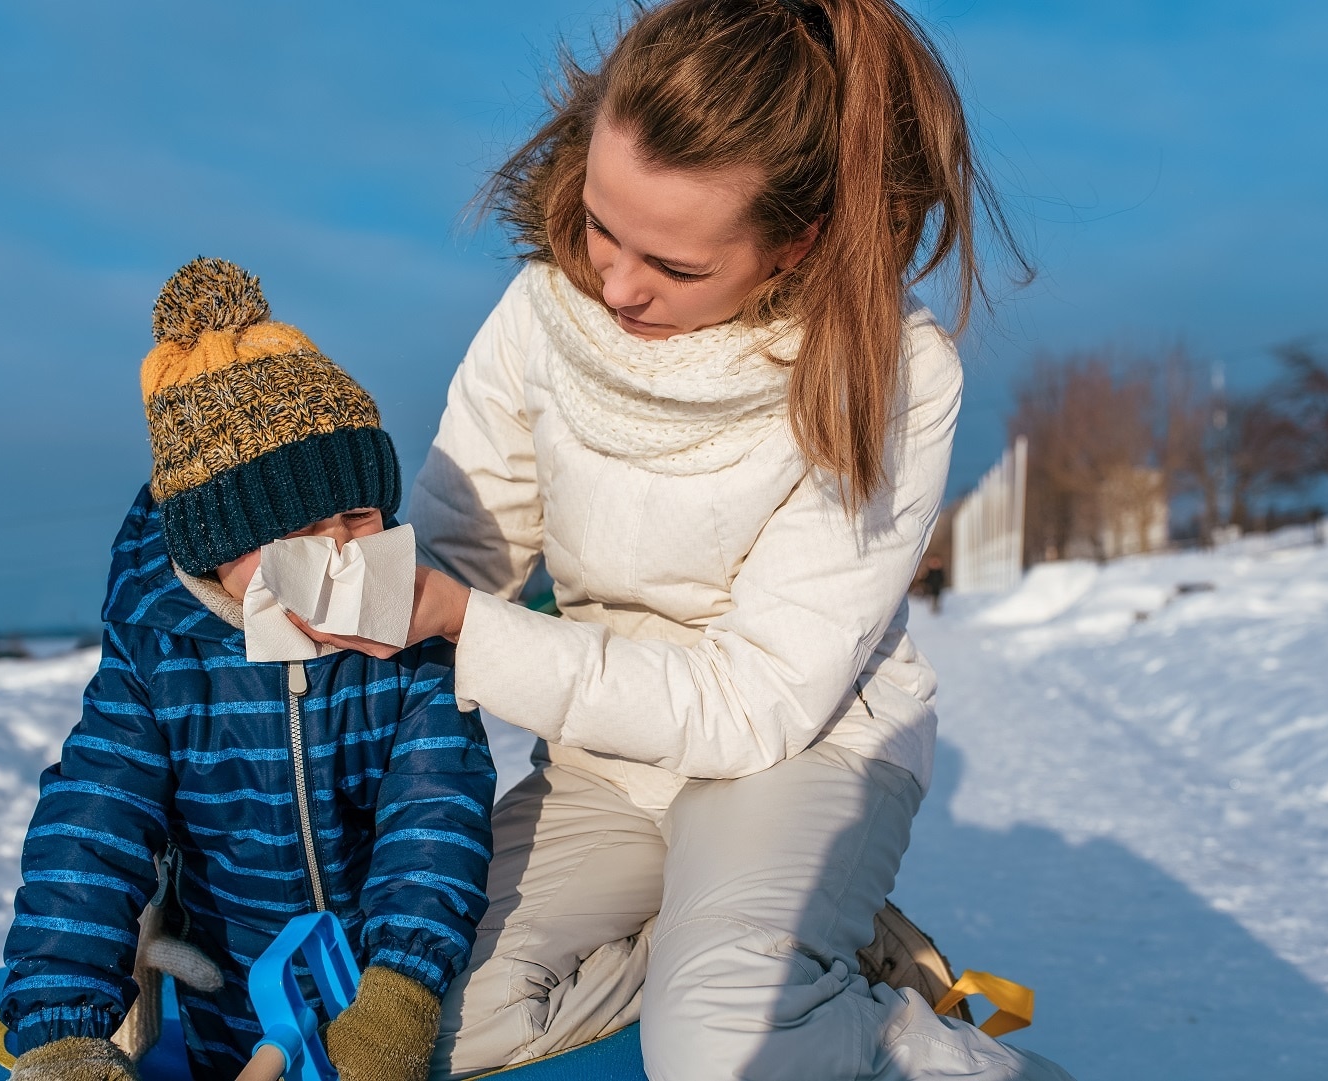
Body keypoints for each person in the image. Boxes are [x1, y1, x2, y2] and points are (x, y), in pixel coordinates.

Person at [322, 2, 1076, 1077]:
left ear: (794, 245)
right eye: (598, 223)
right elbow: (459, 557)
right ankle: (766, 950)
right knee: (414, 1014)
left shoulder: (888, 374)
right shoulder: (544, 312)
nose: (617, 284)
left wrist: (465, 628)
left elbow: (756, 701)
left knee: (719, 1044)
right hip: (606, 763)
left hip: (797, 752)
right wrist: (317, 581)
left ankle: (873, 1024)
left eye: (673, 268)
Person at [0, 259, 496, 1081]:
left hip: (383, 998)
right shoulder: (160, 657)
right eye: (297, 529)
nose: (339, 549)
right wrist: (60, 1025)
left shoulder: (407, 636)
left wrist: (403, 984)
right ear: (213, 545)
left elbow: (436, 811)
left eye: (358, 514)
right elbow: (92, 826)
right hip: (233, 1010)